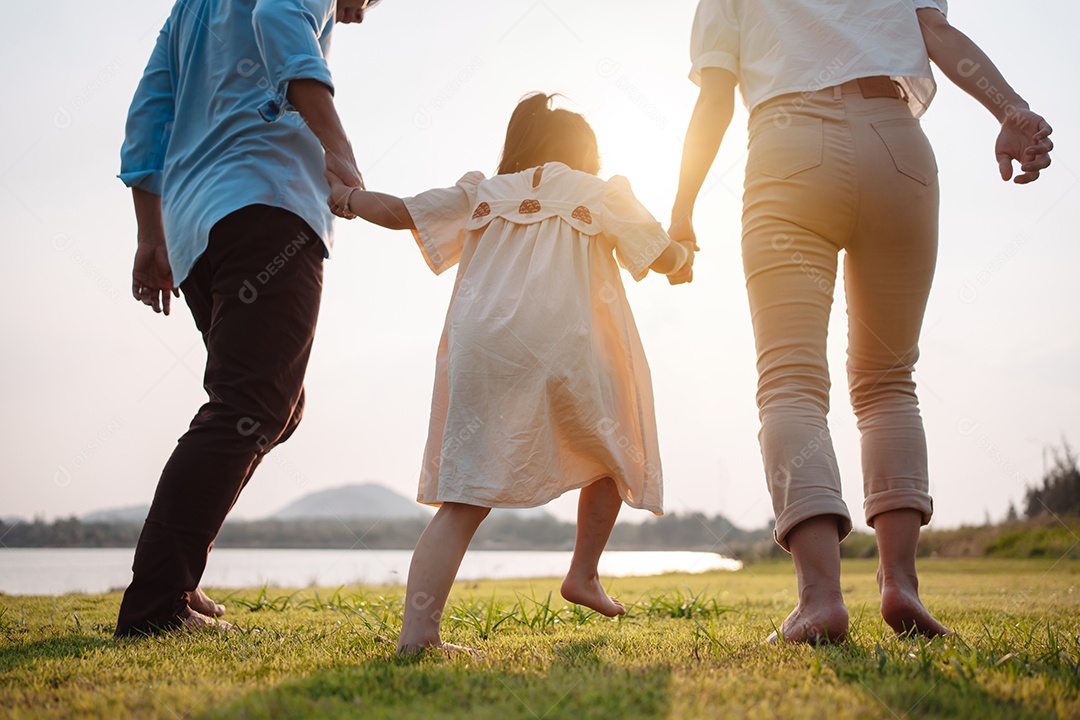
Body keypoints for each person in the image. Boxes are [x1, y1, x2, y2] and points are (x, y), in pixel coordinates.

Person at [670, 1, 1053, 643]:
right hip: (894, 141)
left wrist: (682, 210)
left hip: (788, 146)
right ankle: (900, 584)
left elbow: (715, 98)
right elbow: (936, 32)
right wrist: (1009, 109)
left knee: (791, 382)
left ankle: (819, 599)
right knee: (889, 381)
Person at [325, 93, 696, 652]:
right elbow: (660, 253)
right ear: (584, 152)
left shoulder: (483, 192)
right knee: (613, 453)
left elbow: (401, 211)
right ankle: (583, 573)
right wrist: (683, 259)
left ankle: (418, 636)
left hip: (484, 347)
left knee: (463, 497)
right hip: (566, 342)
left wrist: (348, 197)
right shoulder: (600, 192)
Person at [115, 0, 378, 637]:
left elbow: (149, 111)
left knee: (274, 407)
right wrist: (339, 149)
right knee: (250, 405)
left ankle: (175, 578)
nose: (360, 15)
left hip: (194, 225)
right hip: (267, 202)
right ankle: (156, 604)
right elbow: (280, 19)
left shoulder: (189, 9)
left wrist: (151, 232)